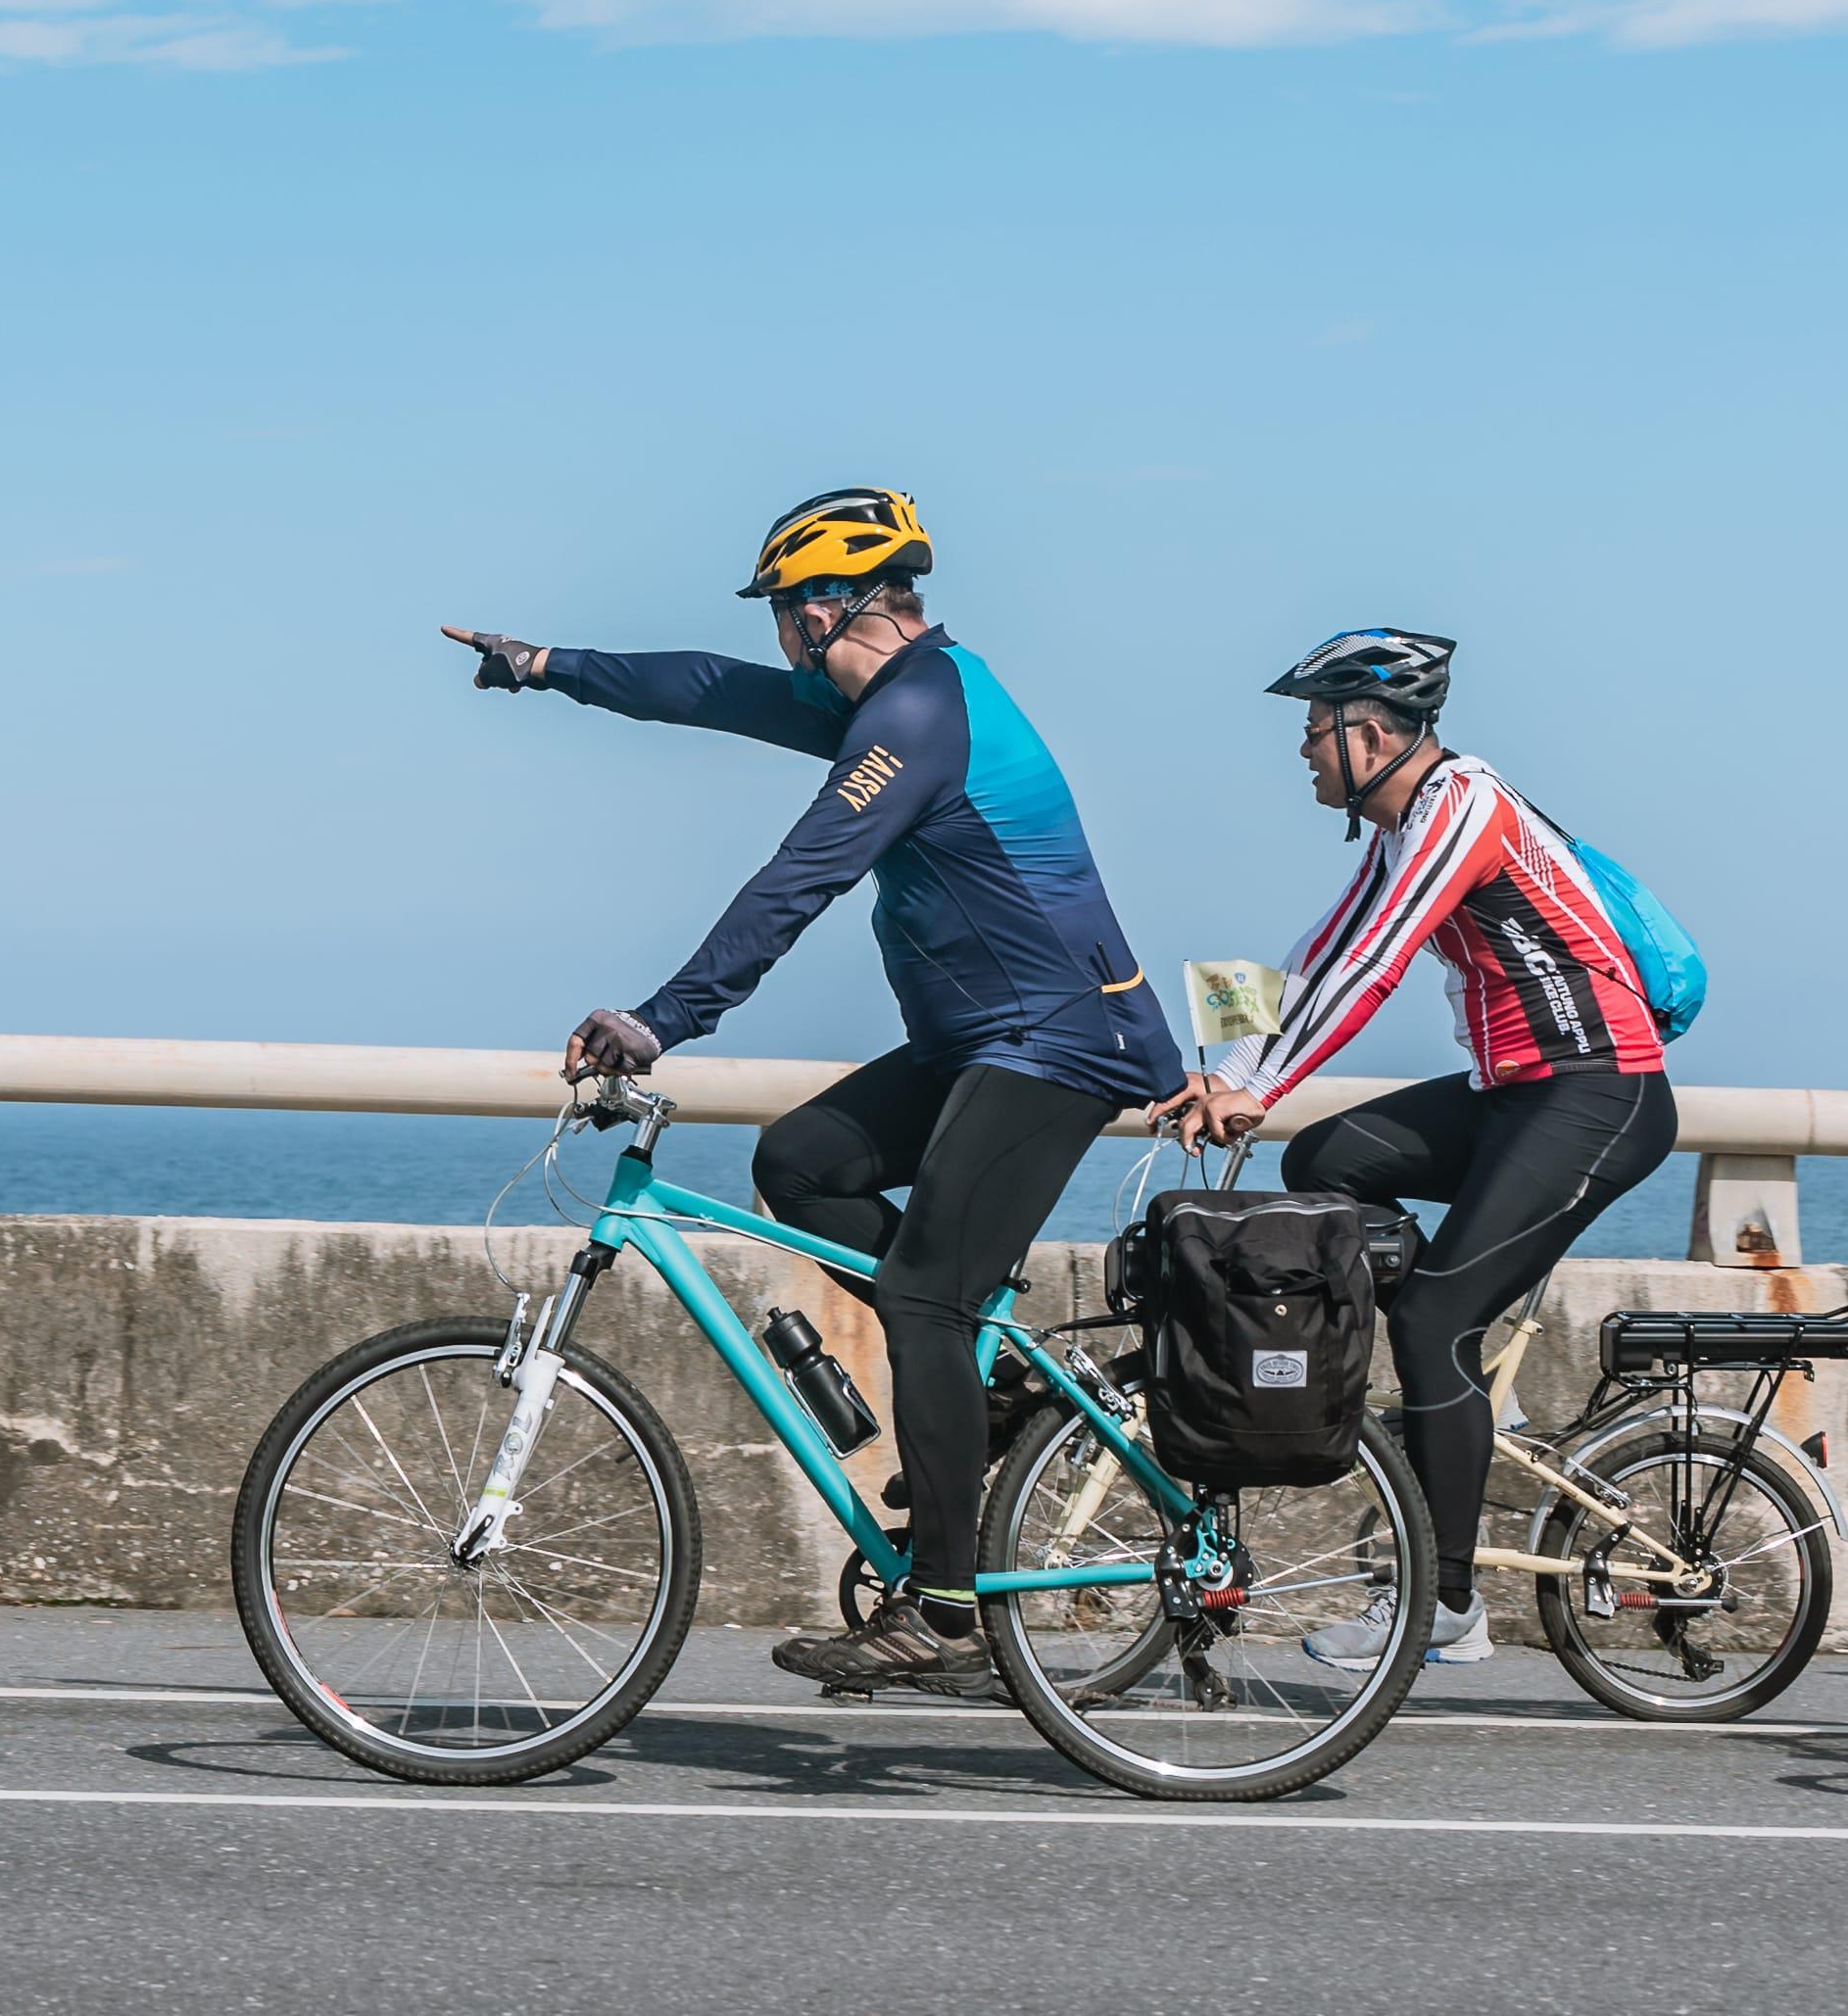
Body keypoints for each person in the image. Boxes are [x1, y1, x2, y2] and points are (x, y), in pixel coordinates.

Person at [447, 487, 1186, 1694]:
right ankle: (986, 1388)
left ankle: (944, 1610)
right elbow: (707, 690)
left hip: (1053, 1043)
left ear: (829, 604)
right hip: (978, 1040)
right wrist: (548, 664)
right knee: (800, 1164)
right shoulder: (888, 698)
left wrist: (661, 1020)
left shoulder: (916, 715)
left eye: (786, 607)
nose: (776, 634)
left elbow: (799, 877)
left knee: (922, 1301)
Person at [1160, 630, 1678, 1671]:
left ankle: (1446, 1606)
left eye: (1313, 731)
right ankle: (1465, 1378)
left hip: (1598, 1094)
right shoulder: (1397, 828)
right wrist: (1227, 1070)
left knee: (1432, 1315)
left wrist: (1259, 1087)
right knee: (1323, 1164)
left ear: (1371, 732)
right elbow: (1319, 953)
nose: (1302, 751)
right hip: (1513, 1095)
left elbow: (1377, 964)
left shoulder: (1461, 805)